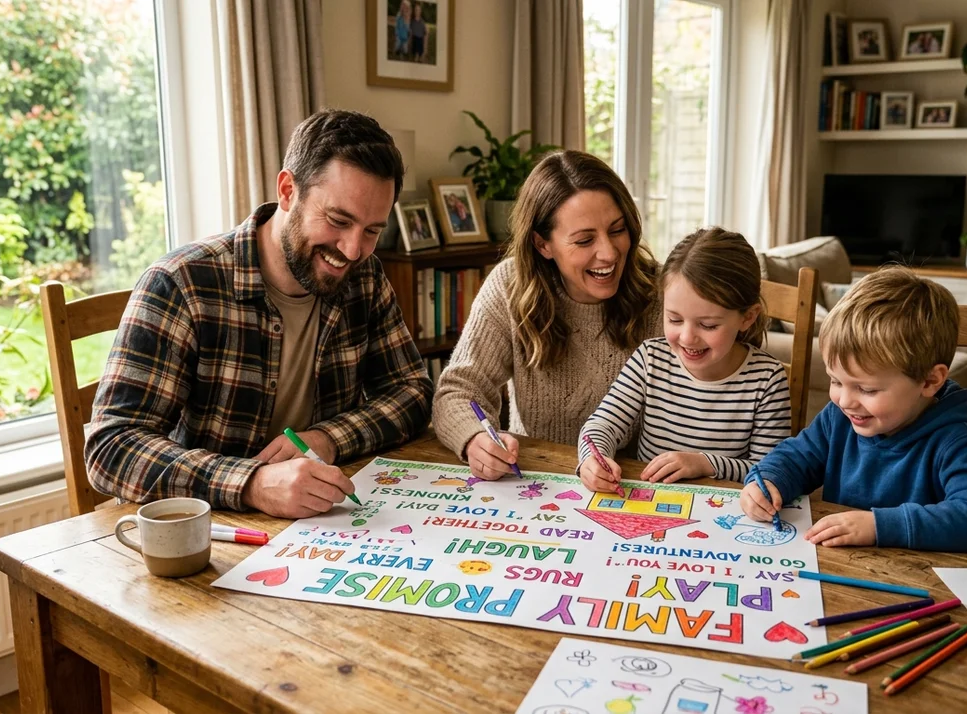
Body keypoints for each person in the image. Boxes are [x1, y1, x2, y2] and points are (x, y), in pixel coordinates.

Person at [86, 109, 433, 519]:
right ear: (288, 191)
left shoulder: (365, 277)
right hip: (212, 530)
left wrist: (328, 438)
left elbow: (412, 392)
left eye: (372, 230)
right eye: (338, 220)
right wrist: (251, 483)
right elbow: (112, 447)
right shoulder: (181, 282)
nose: (353, 250)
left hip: (323, 526)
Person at [740, 268, 967, 552]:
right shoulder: (839, 417)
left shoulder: (956, 438)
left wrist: (878, 526)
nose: (845, 401)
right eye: (835, 381)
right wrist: (768, 480)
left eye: (866, 390)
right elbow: (795, 457)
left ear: (929, 381)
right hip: (841, 568)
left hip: (918, 578)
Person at [433, 150, 662, 480]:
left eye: (617, 230)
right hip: (536, 480)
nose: (609, 252)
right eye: (584, 240)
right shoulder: (509, 286)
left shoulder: (661, 294)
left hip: (633, 483)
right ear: (543, 244)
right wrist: (475, 440)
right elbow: (457, 392)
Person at [577, 228, 791, 490]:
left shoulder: (767, 379)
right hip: (650, 504)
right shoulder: (650, 359)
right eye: (674, 319)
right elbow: (602, 424)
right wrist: (593, 459)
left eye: (708, 325)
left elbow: (769, 470)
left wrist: (705, 463)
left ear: (747, 317)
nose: (688, 338)